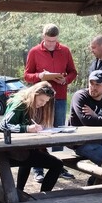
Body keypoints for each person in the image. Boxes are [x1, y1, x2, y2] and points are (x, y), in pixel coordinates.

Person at [24, 23, 77, 182]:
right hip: (40, 98)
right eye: (48, 41)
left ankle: (58, 165)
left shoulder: (65, 51)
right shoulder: (34, 51)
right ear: (43, 37)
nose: (50, 44)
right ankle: (38, 168)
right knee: (39, 131)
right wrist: (40, 76)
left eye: (53, 41)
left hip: (59, 97)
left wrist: (66, 79)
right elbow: (27, 75)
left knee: (58, 131)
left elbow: (73, 72)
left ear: (57, 39)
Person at [0, 81, 64, 192]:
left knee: (31, 157)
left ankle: (19, 190)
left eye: (46, 102)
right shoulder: (20, 103)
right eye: (41, 100)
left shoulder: (30, 103)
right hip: (11, 150)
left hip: (22, 149)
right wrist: (27, 128)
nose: (43, 104)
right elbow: (4, 126)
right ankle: (44, 196)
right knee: (57, 164)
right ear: (34, 94)